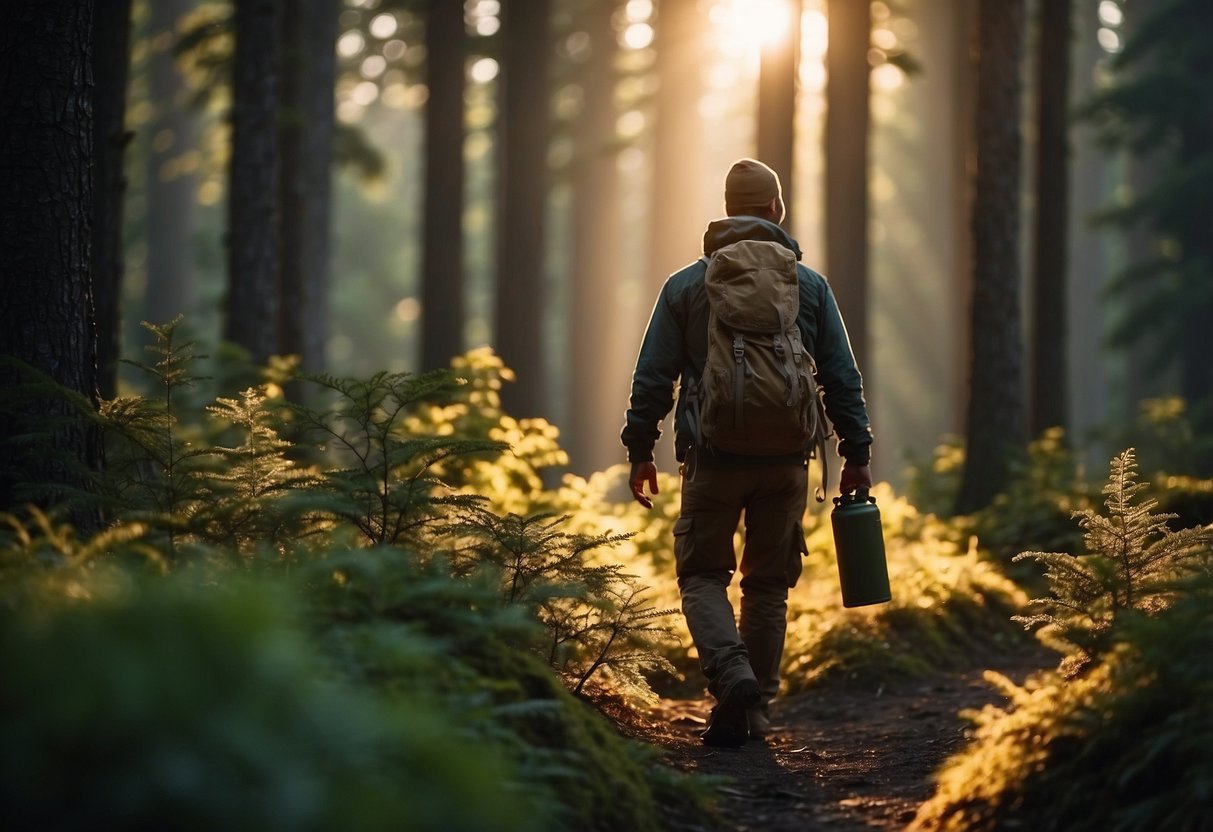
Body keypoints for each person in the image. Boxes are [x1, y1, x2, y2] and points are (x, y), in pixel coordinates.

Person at [621, 158, 873, 747]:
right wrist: (856, 450)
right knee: (767, 586)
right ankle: (756, 709)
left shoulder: (687, 284)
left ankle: (731, 676)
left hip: (711, 458)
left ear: (728, 208)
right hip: (787, 460)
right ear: (775, 210)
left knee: (702, 574)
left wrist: (640, 448)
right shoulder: (807, 285)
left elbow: (653, 375)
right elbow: (840, 374)